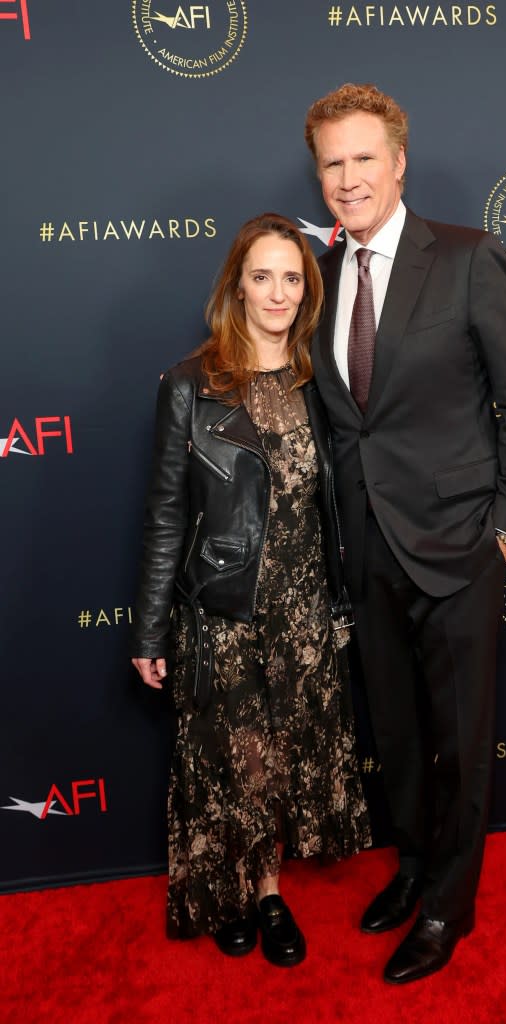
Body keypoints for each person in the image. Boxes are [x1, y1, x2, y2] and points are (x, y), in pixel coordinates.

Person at [304, 84, 506, 984]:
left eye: (363, 157)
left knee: (458, 735)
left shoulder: (468, 257)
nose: (347, 177)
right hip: (365, 547)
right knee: (399, 734)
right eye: (331, 162)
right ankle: (411, 864)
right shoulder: (319, 275)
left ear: (399, 161)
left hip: (459, 545)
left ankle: (450, 904)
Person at [130, 212, 371, 968]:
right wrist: (148, 630)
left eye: (292, 278)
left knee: (286, 754)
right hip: (225, 609)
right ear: (236, 286)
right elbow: (167, 512)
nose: (277, 293)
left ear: (308, 289)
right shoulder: (190, 385)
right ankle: (231, 892)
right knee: (236, 758)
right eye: (261, 276)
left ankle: (268, 894)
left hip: (304, 609)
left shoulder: (319, 379)